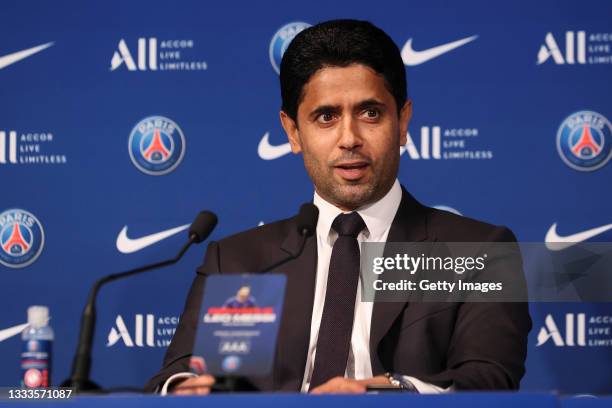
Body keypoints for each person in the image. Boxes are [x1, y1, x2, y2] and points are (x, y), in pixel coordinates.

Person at [145, 19, 531, 395]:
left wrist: (383, 392)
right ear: (293, 132)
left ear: (403, 122)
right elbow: (179, 374)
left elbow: (488, 379)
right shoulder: (239, 261)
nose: (350, 138)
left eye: (371, 113)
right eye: (326, 117)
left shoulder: (477, 252)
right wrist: (185, 390)